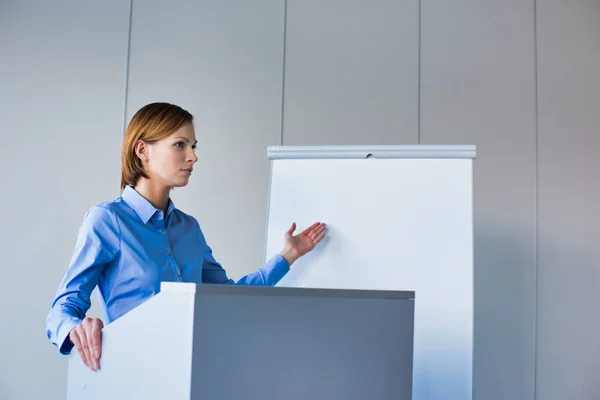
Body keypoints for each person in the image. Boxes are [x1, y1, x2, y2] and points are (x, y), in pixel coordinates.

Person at [45, 102, 326, 372]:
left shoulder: (189, 228)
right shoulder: (107, 221)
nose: (193, 156)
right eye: (180, 144)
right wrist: (75, 329)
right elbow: (63, 308)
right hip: (133, 380)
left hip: (197, 374)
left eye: (193, 146)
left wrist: (288, 255)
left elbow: (227, 297)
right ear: (142, 150)